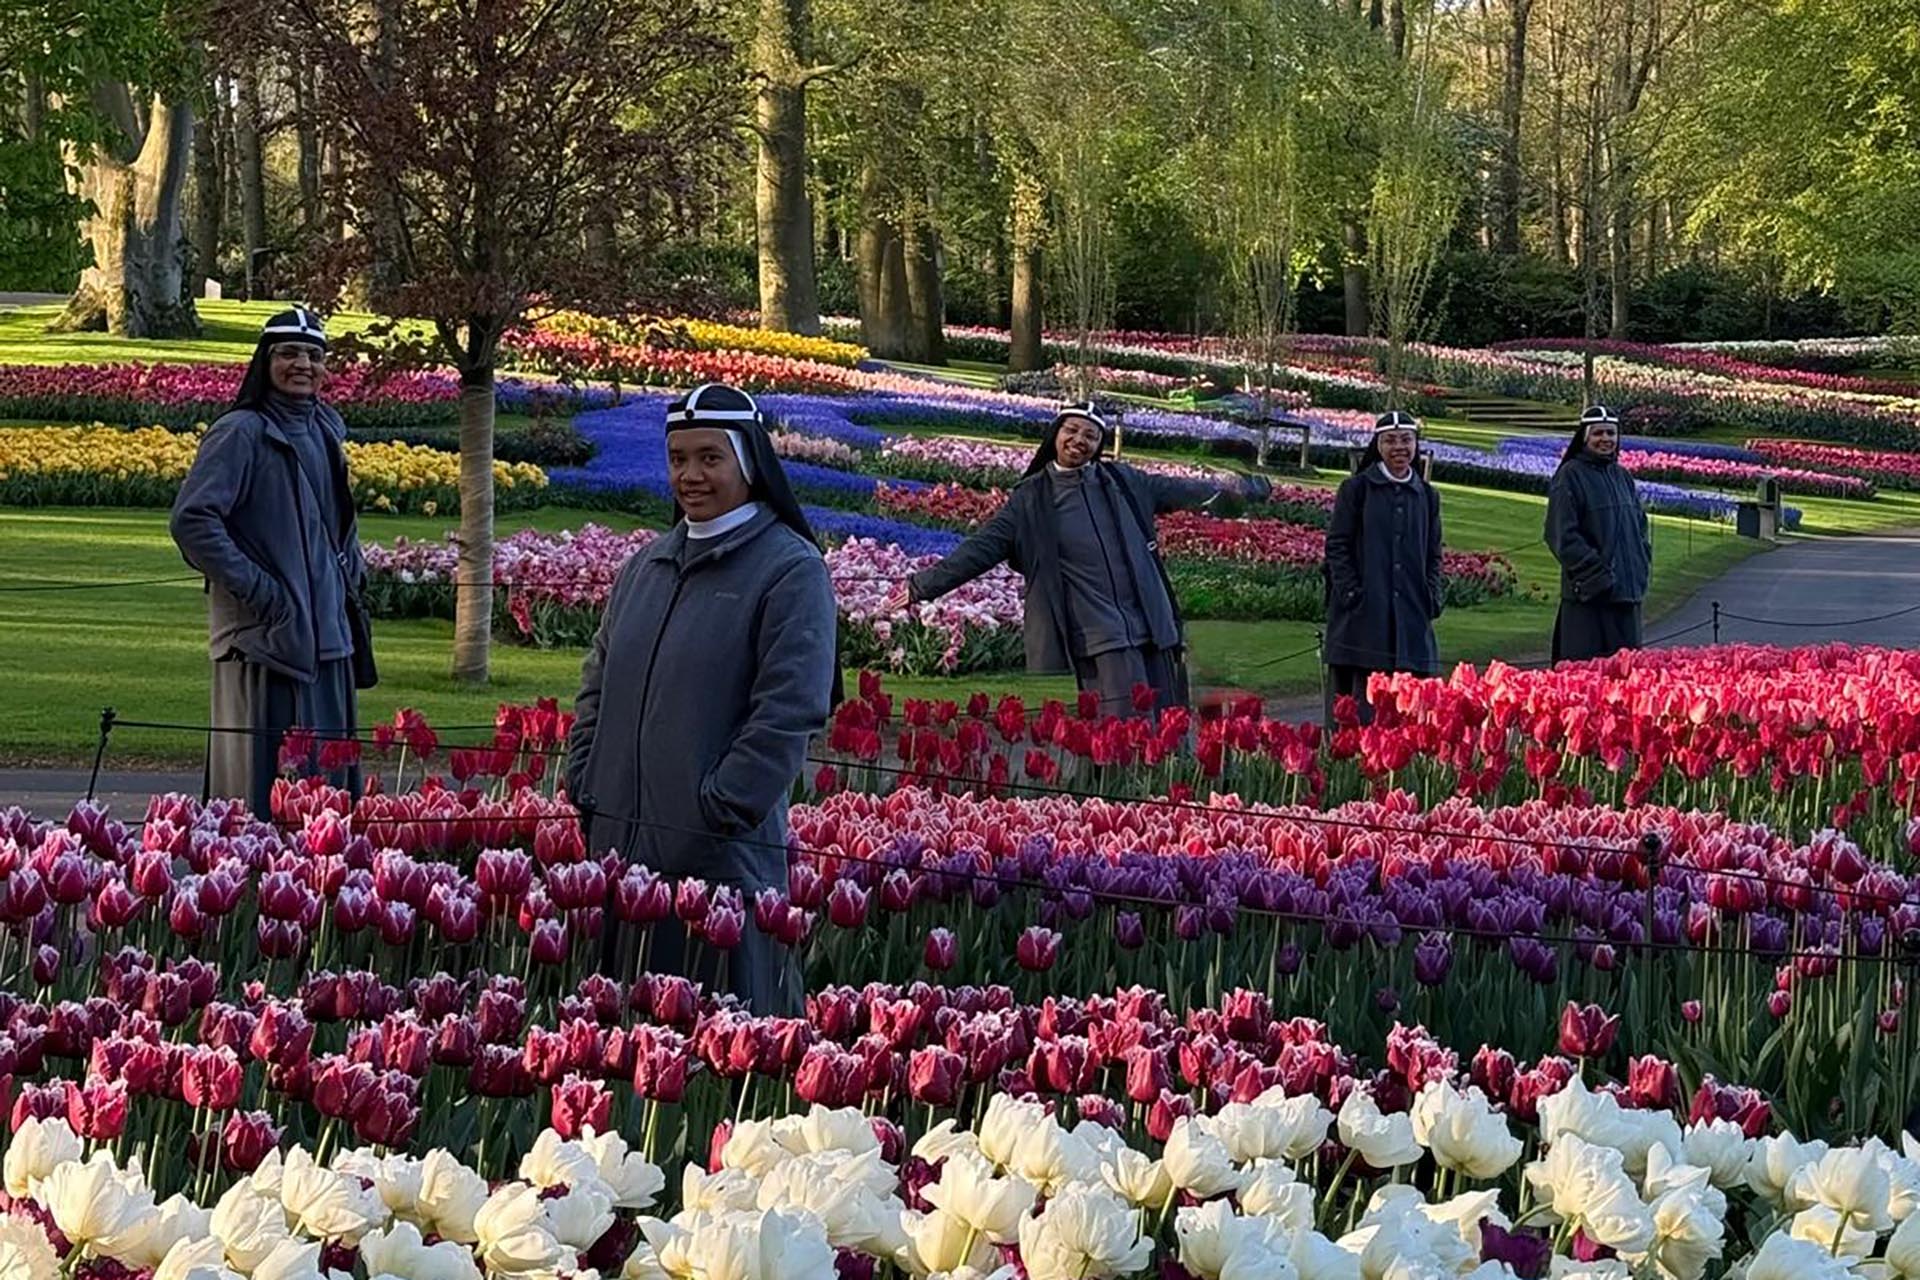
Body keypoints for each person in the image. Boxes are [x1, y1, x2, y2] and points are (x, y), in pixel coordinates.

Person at [566, 382, 838, 1016]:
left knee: (724, 1049)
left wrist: (719, 805)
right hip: (619, 847)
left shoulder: (789, 569)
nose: (690, 475)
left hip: (719, 857)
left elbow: (790, 707)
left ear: (747, 461)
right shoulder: (647, 565)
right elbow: (596, 684)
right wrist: (585, 779)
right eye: (678, 458)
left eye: (710, 458)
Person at [171, 307, 374, 819]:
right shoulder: (240, 432)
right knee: (258, 797)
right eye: (288, 353)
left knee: (327, 798)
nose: (301, 364)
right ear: (266, 361)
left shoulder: (328, 428)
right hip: (264, 645)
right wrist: (263, 594)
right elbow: (194, 520)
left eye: (312, 355)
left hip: (329, 641)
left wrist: (351, 564)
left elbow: (333, 517)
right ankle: (249, 899)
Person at [884, 403, 1196, 717]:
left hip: (1153, 623)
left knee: (1170, 728)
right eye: (1071, 430)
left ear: (1099, 444)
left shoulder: (1124, 481)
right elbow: (981, 549)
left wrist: (1237, 491)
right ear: (1055, 434)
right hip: (1101, 633)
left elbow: (1187, 492)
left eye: (1090, 435)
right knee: (1126, 732)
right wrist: (922, 586)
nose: (1079, 440)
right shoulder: (1032, 498)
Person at [1321, 410, 1443, 724]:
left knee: (1410, 717)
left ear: (1416, 444)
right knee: (1362, 713)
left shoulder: (1427, 496)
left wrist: (1432, 596)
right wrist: (1351, 594)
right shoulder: (1356, 490)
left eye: (1406, 440)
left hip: (1413, 618)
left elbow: (1433, 554)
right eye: (1390, 441)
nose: (1399, 447)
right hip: (1364, 619)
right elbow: (1337, 545)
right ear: (1378, 445)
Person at [1546, 404, 1652, 663]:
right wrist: (1597, 575)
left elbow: (1639, 528)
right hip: (1590, 600)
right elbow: (1561, 535)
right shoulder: (1570, 476)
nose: (1605, 439)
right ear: (1585, 437)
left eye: (1611, 433)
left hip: (1627, 599)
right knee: (1585, 682)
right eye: (1598, 433)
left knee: (1628, 683)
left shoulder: (1622, 476)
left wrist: (1641, 566)